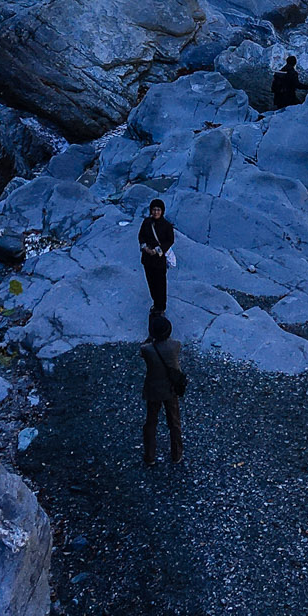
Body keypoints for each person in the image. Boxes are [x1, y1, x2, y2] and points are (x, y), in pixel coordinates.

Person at [140, 312, 186, 465]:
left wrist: (150, 338)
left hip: (153, 389)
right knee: (174, 421)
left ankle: (150, 455)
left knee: (151, 422)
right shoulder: (175, 346)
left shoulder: (147, 350)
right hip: (171, 388)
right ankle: (176, 454)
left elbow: (144, 347)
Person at [138, 198, 175, 312]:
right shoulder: (147, 222)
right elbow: (141, 236)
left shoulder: (167, 225)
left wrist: (157, 251)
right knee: (151, 283)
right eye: (154, 209)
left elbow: (170, 240)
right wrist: (144, 247)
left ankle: (161, 307)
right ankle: (155, 303)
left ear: (162, 211)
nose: (156, 212)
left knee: (161, 285)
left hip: (159, 261)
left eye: (158, 210)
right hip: (147, 259)